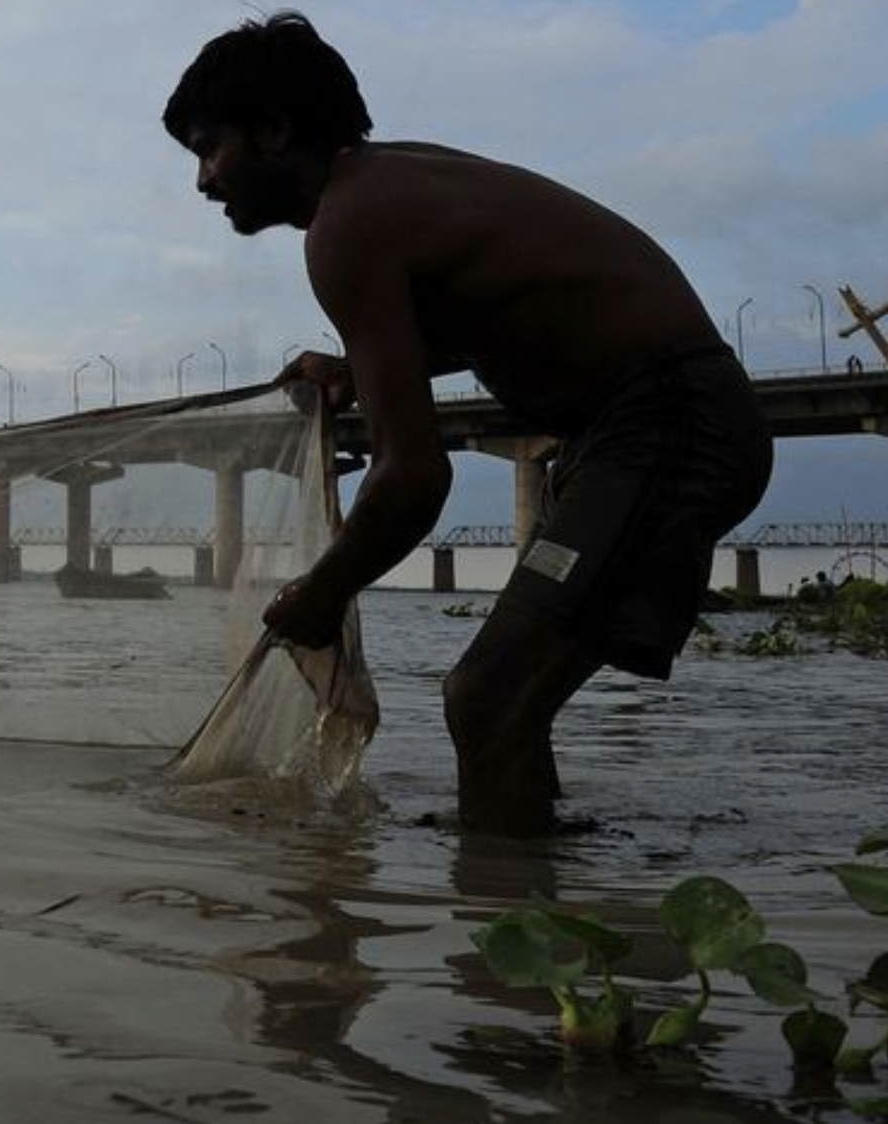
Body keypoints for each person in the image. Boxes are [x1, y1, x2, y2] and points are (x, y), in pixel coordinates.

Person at [162, 13, 772, 835]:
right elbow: (509, 314)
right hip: (629, 431)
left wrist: (322, 592)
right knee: (507, 697)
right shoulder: (386, 186)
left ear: (273, 131)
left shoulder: (349, 225)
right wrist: (350, 371)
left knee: (486, 695)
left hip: (666, 423)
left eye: (209, 149)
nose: (202, 182)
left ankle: (505, 932)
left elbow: (414, 480)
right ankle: (535, 881)